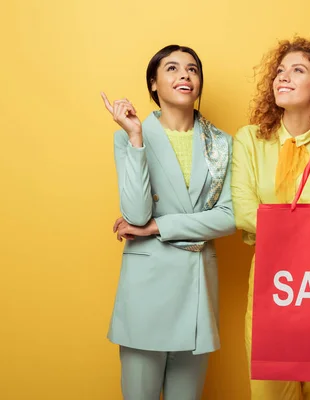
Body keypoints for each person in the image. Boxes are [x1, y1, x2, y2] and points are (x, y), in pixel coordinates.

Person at [101, 44, 235, 400]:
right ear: (153, 84)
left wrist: (158, 228)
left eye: (192, 69)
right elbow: (136, 214)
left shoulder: (222, 144)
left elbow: (229, 216)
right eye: (172, 68)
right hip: (146, 288)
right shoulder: (130, 138)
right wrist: (135, 139)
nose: (185, 75)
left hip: (197, 290)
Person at [231, 36, 310, 400]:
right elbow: (244, 211)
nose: (282, 78)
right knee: (270, 393)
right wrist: (303, 225)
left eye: (297, 70)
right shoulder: (249, 140)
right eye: (280, 71)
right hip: (271, 286)